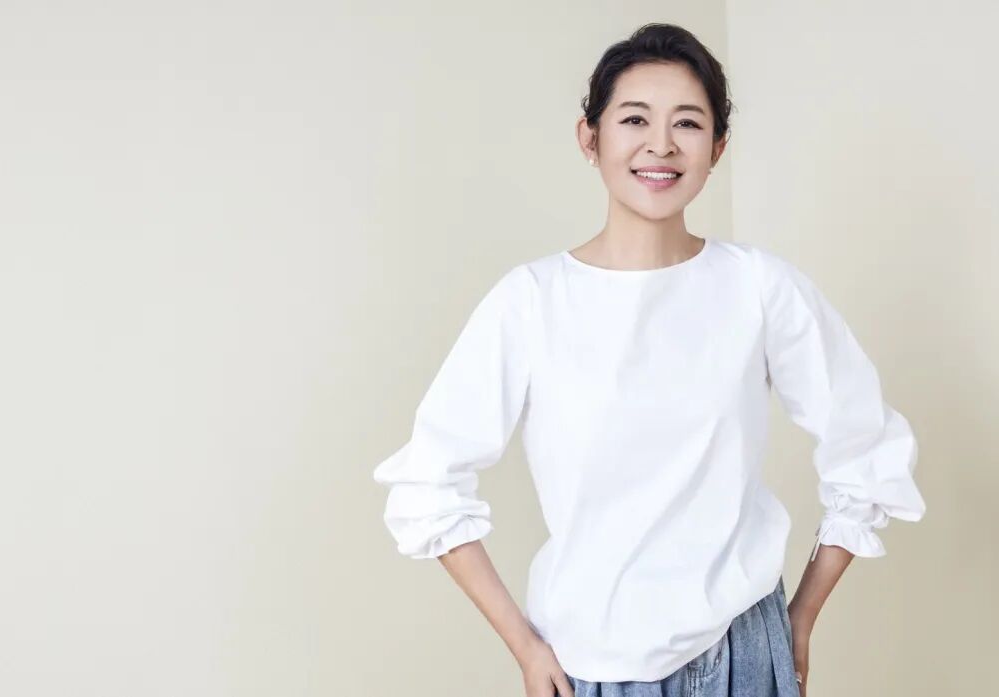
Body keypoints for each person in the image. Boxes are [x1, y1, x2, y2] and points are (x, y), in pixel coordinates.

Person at [371, 22, 925, 697]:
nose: (661, 144)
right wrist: (525, 646)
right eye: (635, 119)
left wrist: (799, 619)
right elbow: (428, 483)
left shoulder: (758, 287)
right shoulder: (532, 300)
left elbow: (866, 446)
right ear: (590, 138)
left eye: (687, 123)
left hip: (746, 652)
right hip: (590, 666)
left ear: (717, 148)